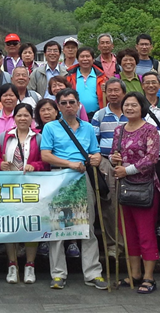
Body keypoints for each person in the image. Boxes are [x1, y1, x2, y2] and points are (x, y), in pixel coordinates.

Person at [41, 88, 108, 290]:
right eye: (64, 103)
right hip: (59, 177)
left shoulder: (87, 128)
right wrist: (69, 164)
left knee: (87, 226)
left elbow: (95, 153)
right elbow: (46, 155)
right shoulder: (51, 127)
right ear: (58, 106)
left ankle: (93, 273)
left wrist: (96, 159)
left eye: (72, 102)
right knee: (58, 227)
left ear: (79, 104)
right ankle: (58, 274)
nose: (68, 106)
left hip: (83, 177)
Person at [109, 92, 160, 294]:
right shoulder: (119, 130)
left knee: (145, 233)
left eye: (134, 105)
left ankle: (149, 277)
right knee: (128, 233)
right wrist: (115, 161)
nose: (130, 108)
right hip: (124, 187)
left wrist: (127, 169)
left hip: (144, 188)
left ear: (142, 107)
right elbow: (115, 154)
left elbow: (151, 159)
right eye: (126, 105)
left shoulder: (150, 131)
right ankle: (135, 274)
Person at [0, 103, 46, 284]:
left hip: (32, 188)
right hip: (9, 188)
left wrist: (34, 166)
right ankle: (12, 264)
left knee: (31, 225)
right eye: (19, 115)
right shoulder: (3, 138)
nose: (22, 118)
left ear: (32, 118)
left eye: (26, 115)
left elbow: (43, 162)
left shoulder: (38, 138)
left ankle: (30, 265)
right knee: (11, 226)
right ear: (13, 118)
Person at [91, 77, 128, 258]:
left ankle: (130, 244)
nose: (113, 94)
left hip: (130, 164)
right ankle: (113, 245)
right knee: (110, 206)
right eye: (110, 91)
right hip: (107, 162)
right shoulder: (99, 115)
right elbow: (93, 142)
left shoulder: (133, 112)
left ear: (124, 92)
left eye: (117, 91)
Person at [141, 71, 160, 237]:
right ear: (142, 85)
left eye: (154, 82)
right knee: (143, 190)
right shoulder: (137, 106)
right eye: (147, 82)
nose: (151, 85)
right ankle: (146, 223)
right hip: (140, 158)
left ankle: (159, 223)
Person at [65, 46, 107, 116]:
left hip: (97, 115)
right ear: (77, 59)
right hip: (75, 116)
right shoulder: (69, 77)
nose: (85, 59)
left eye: (88, 56)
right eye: (82, 56)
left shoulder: (102, 77)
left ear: (93, 59)